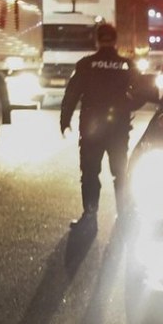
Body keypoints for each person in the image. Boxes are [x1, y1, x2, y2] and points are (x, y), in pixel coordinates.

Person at [60, 23, 142, 231]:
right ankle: (123, 214)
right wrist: (127, 105)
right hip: (118, 129)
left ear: (97, 40)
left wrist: (65, 120)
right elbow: (144, 91)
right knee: (120, 173)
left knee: (89, 173)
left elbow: (72, 94)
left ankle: (89, 215)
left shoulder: (86, 64)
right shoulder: (127, 65)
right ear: (115, 40)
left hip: (92, 129)